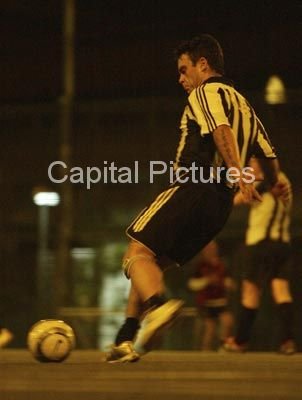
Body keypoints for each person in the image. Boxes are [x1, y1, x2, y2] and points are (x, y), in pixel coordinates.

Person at [105, 33, 290, 363]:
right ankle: (125, 338)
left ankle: (160, 308)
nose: (180, 79)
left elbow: (220, 129)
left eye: (183, 69)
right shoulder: (246, 106)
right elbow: (268, 156)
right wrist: (274, 184)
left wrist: (234, 169)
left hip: (194, 187)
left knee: (135, 250)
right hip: (218, 209)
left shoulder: (207, 91)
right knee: (152, 262)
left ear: (202, 65)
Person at [222, 158, 297, 354]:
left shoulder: (265, 179)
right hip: (282, 244)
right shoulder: (284, 179)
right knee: (282, 291)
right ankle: (288, 341)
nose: (250, 165)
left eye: (254, 161)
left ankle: (240, 341)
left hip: (260, 244)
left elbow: (238, 200)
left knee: (251, 292)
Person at [187, 240, 235, 350]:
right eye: (208, 249)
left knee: (227, 321)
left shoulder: (223, 264)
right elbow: (191, 284)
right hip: (205, 304)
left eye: (213, 248)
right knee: (209, 327)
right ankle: (205, 352)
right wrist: (207, 281)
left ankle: (223, 349)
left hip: (220, 302)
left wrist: (228, 284)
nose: (211, 251)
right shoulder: (199, 265)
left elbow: (229, 280)